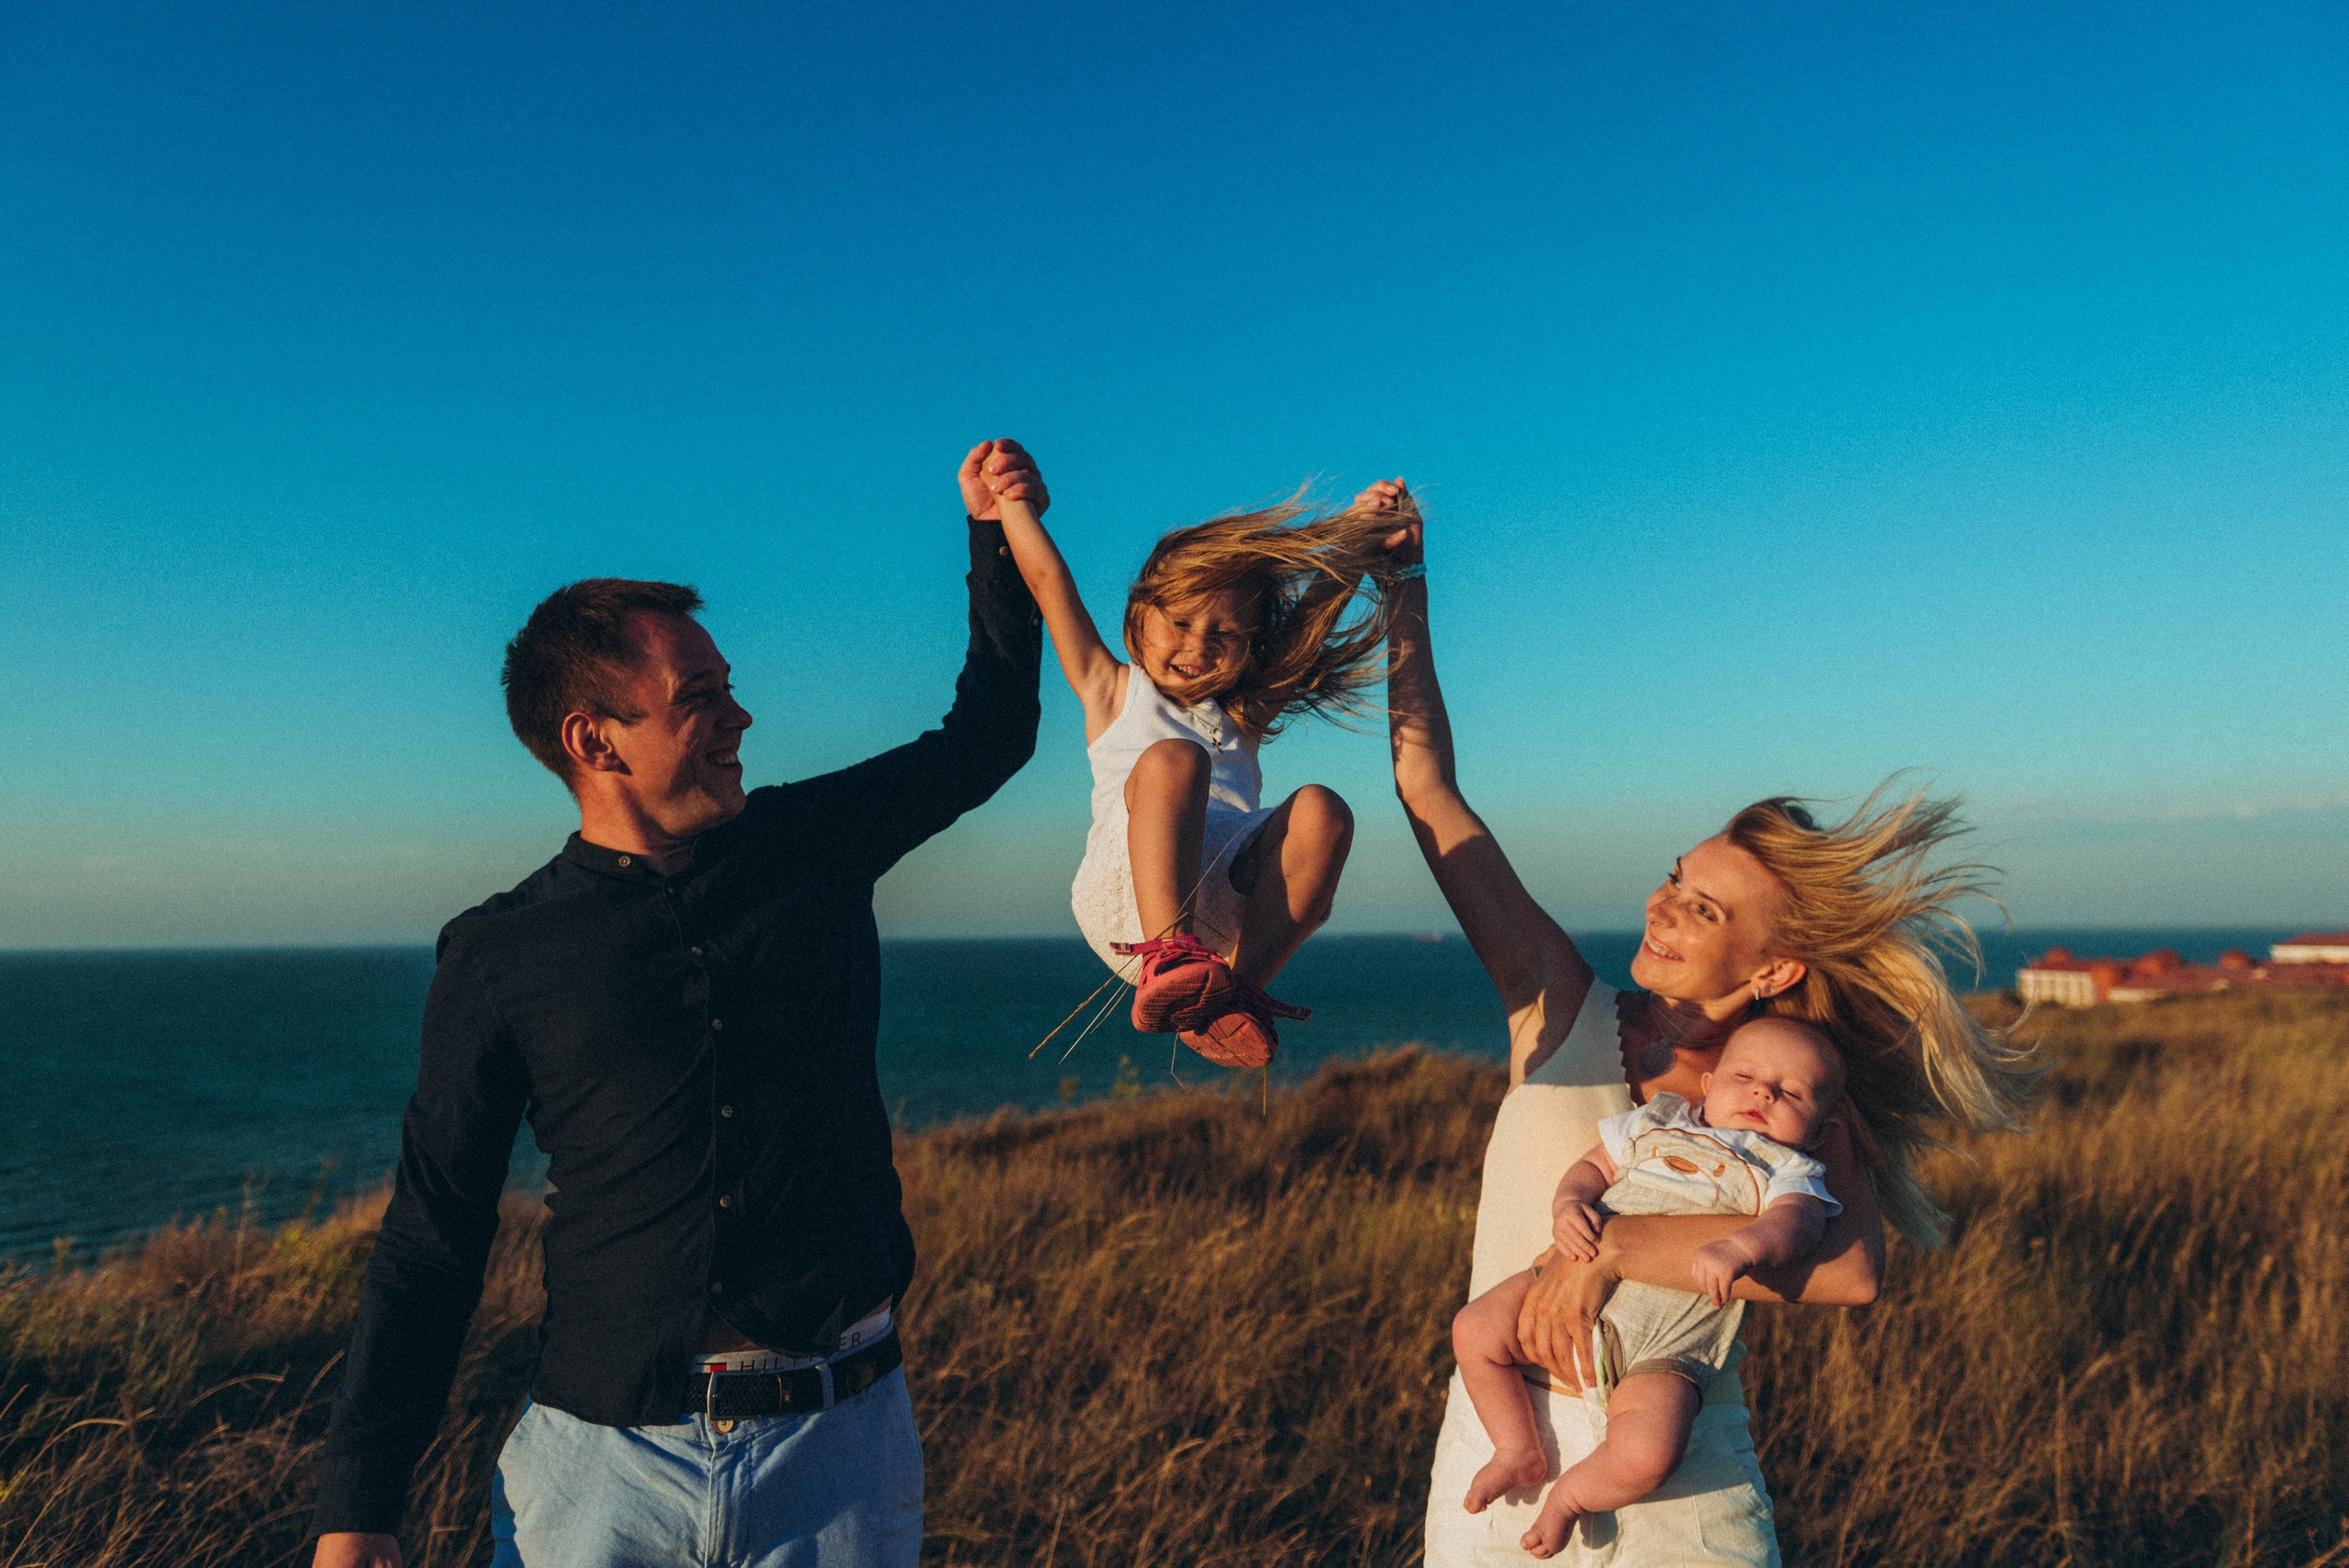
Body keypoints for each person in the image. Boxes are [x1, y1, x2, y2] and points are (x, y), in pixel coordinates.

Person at [307, 440, 1048, 1568]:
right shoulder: (501, 952)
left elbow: (990, 729)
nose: (741, 717)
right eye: (699, 698)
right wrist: (358, 1503)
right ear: (593, 738)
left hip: (838, 1461)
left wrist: (995, 532)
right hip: (598, 1479)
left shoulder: (811, 846)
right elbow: (432, 1233)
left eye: (730, 688)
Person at [1370, 477, 2040, 1565]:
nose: (1662, 906)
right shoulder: (1558, 1004)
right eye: (1672, 878)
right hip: (1498, 1456)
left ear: (1772, 962)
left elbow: (1847, 1271)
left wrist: (1614, 1247)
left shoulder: (1791, 1092)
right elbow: (1426, 787)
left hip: (1675, 1471)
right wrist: (1402, 586)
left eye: (1704, 907)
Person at [993, 475, 1413, 1067]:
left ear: (1249, 646)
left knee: (1324, 807)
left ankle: (1236, 996)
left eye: (1225, 634)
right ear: (1140, 614)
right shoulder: (1112, 689)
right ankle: (1169, 955)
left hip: (1227, 920)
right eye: (1182, 623)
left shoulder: (1243, 715)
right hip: (1131, 901)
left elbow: (1310, 619)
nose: (1199, 646)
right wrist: (1014, 506)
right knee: (1177, 757)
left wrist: (1358, 528)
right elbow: (1048, 584)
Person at [1452, 1018, 1844, 1558]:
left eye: (1792, 1092)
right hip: (1571, 1271)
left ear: (1821, 1128)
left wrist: (1741, 1248)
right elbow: (1594, 1165)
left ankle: (1570, 1497)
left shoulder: (1787, 1167)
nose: (1763, 1091)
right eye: (1745, 1074)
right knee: (1474, 1330)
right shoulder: (1658, 1122)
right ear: (1707, 1087)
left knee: (1649, 1454)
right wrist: (1569, 1203)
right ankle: (1516, 1447)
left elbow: (1798, 1226)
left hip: (1665, 1348)